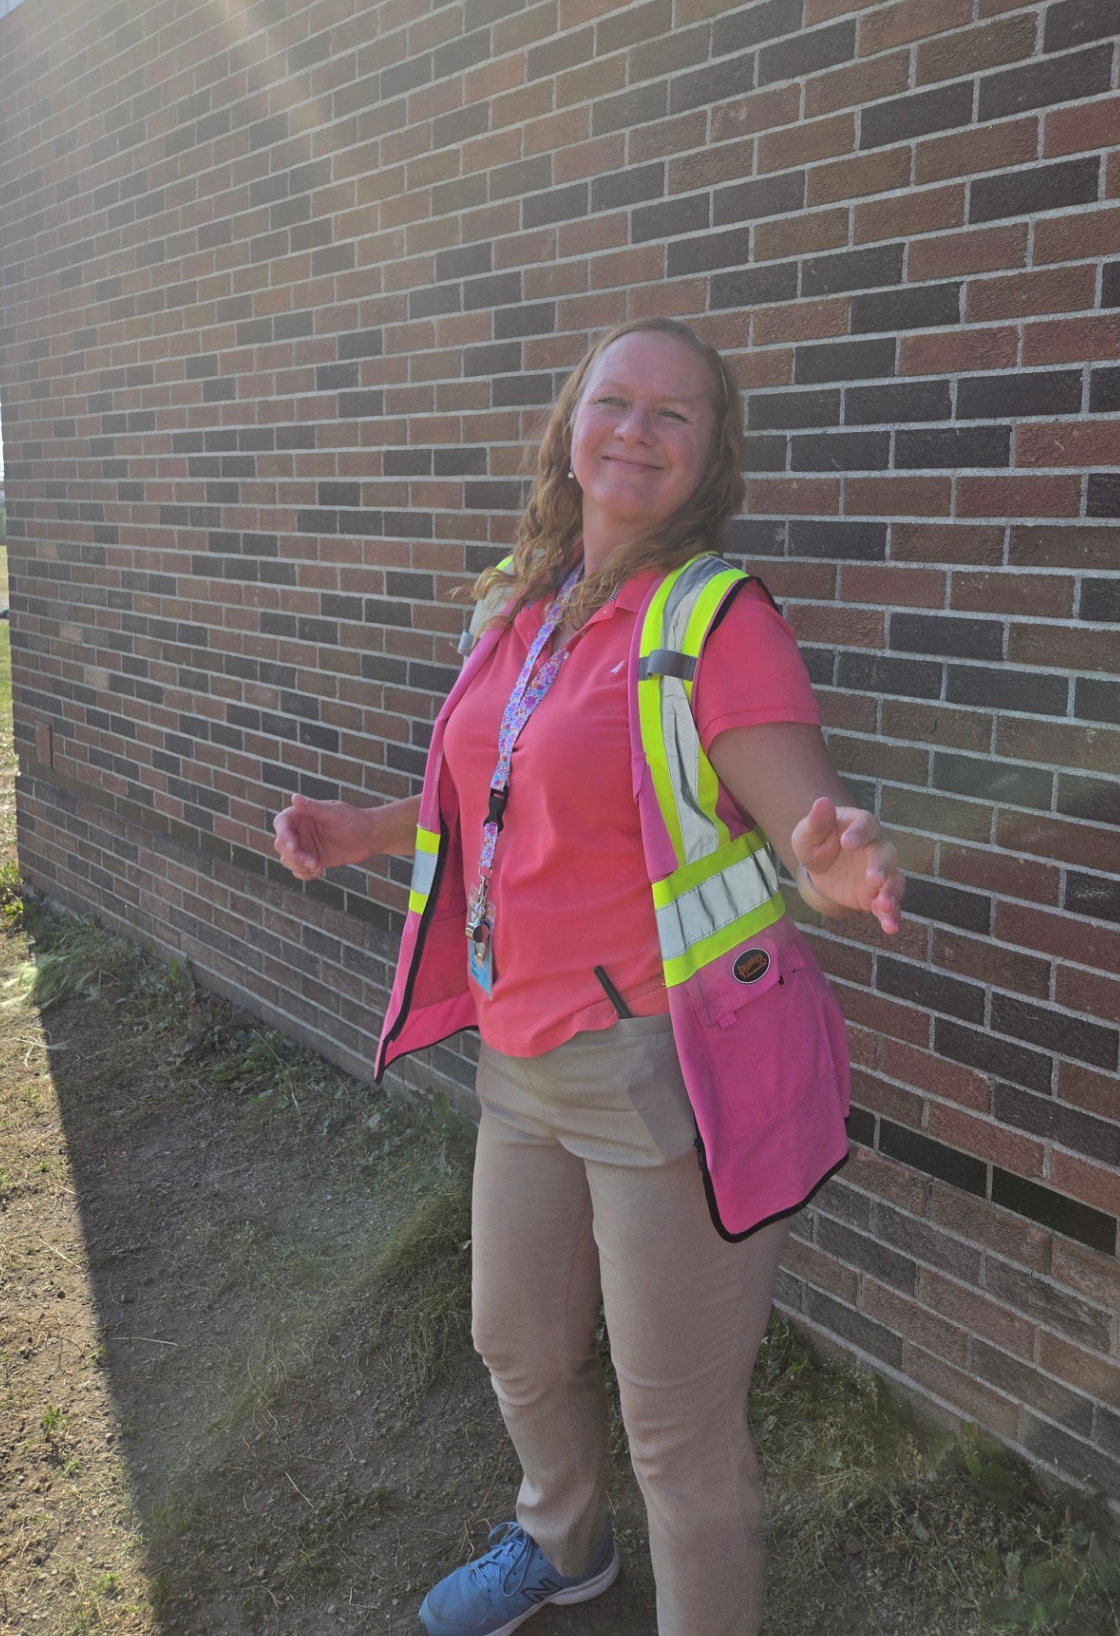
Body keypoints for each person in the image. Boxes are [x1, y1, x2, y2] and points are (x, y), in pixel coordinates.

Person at [273, 319, 905, 1636]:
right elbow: (491, 791)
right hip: (519, 1063)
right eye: (613, 401)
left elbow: (792, 795)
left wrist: (823, 849)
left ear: (710, 456)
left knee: (678, 1433)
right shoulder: (521, 601)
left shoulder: (711, 619)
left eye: (673, 415)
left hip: (654, 1077)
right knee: (514, 1339)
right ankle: (561, 1543)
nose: (635, 428)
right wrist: (368, 828)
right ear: (570, 426)